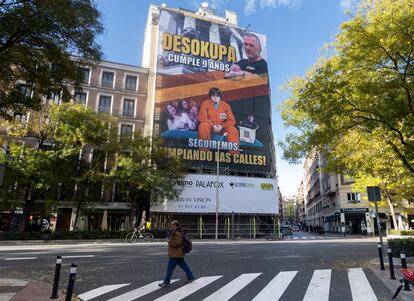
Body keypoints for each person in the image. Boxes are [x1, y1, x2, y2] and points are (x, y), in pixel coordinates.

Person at [198, 87, 239, 152]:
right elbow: (202, 117)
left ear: (220, 96)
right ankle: (204, 152)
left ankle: (234, 155)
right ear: (210, 96)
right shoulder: (205, 103)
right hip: (210, 128)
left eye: (217, 96)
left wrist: (222, 126)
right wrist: (212, 125)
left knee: (233, 129)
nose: (215, 97)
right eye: (213, 95)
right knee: (203, 125)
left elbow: (231, 120)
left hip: (222, 129)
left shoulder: (226, 106)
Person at [159, 220, 195, 287]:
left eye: (172, 225)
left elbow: (177, 243)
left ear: (175, 225)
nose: (171, 226)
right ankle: (190, 276)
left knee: (170, 268)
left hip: (175, 254)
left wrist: (169, 241)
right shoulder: (177, 232)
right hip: (178, 254)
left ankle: (166, 282)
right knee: (184, 265)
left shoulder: (177, 233)